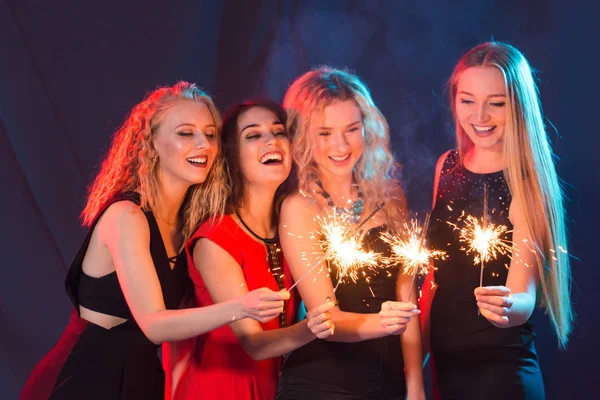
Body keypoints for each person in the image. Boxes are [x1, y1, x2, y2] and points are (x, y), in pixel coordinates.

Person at [20, 83, 289, 400]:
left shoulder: (188, 223)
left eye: (210, 134)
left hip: (142, 378)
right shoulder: (126, 216)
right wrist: (241, 307)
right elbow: (155, 325)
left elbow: (179, 334)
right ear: (151, 144)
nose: (203, 144)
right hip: (84, 378)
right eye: (186, 133)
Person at [421, 41, 573, 399]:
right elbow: (434, 273)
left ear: (518, 106)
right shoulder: (447, 166)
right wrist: (417, 359)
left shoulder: (527, 182)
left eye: (497, 104)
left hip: (501, 378)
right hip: (447, 371)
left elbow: (524, 295)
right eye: (468, 100)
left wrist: (507, 306)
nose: (480, 116)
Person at [277, 67, 425, 400]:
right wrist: (384, 323)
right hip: (322, 384)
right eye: (324, 133)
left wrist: (415, 384)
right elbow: (325, 318)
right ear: (302, 136)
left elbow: (407, 295)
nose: (340, 145)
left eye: (351, 129)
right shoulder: (299, 207)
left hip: (387, 382)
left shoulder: (391, 196)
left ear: (367, 129)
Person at [174, 99, 335, 400]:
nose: (272, 140)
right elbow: (255, 344)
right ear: (232, 156)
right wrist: (313, 328)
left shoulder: (292, 225)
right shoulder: (216, 238)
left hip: (281, 389)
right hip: (223, 391)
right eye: (253, 135)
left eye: (278, 132)